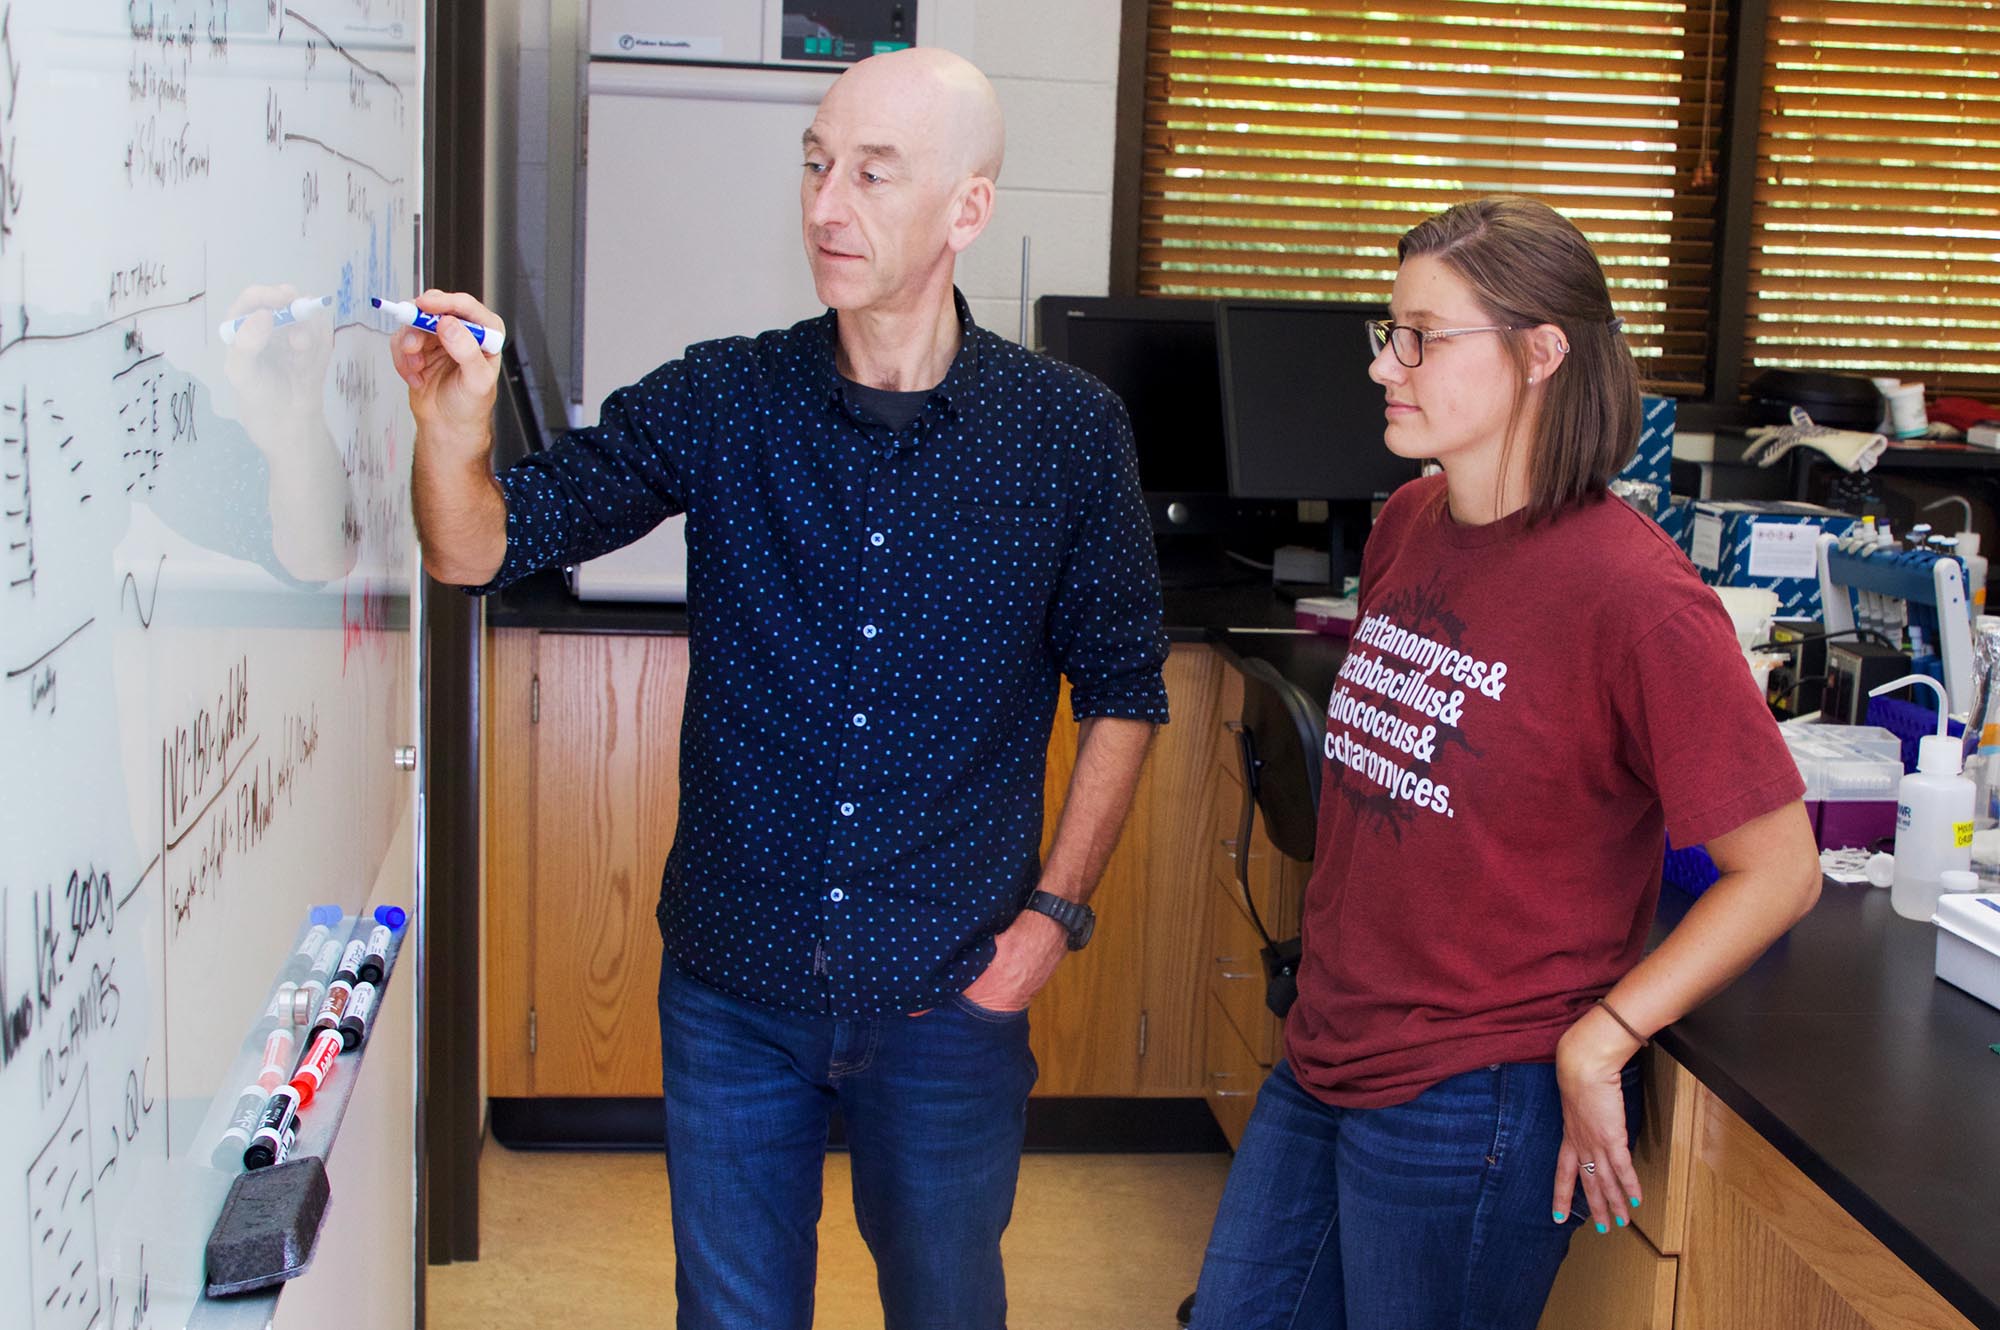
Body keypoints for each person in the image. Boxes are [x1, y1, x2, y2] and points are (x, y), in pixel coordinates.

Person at [392, 47, 1168, 1330]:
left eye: (872, 173)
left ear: (967, 210)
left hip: (947, 992)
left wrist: (1048, 923)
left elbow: (1125, 693)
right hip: (732, 988)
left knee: (946, 1308)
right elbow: (475, 548)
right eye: (814, 164)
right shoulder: (725, 394)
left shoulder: (1067, 430)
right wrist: (449, 432)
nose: (824, 206)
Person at [1188, 196, 1822, 1329]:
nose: (1387, 363)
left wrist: (1605, 1033)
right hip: (1331, 1045)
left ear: (1540, 354)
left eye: (1422, 337)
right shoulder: (1408, 521)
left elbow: (1778, 868)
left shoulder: (1634, 596)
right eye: (1387, 332)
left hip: (1473, 1091)